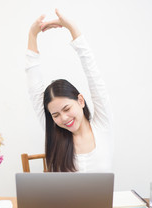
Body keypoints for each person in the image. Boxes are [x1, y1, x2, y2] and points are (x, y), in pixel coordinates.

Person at [26, 9, 113, 172]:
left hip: (102, 199)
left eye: (66, 109)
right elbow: (34, 88)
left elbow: (93, 74)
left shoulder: (103, 125)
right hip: (60, 199)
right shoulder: (54, 132)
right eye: (56, 115)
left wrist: (72, 28)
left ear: (80, 101)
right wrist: (32, 34)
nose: (64, 118)